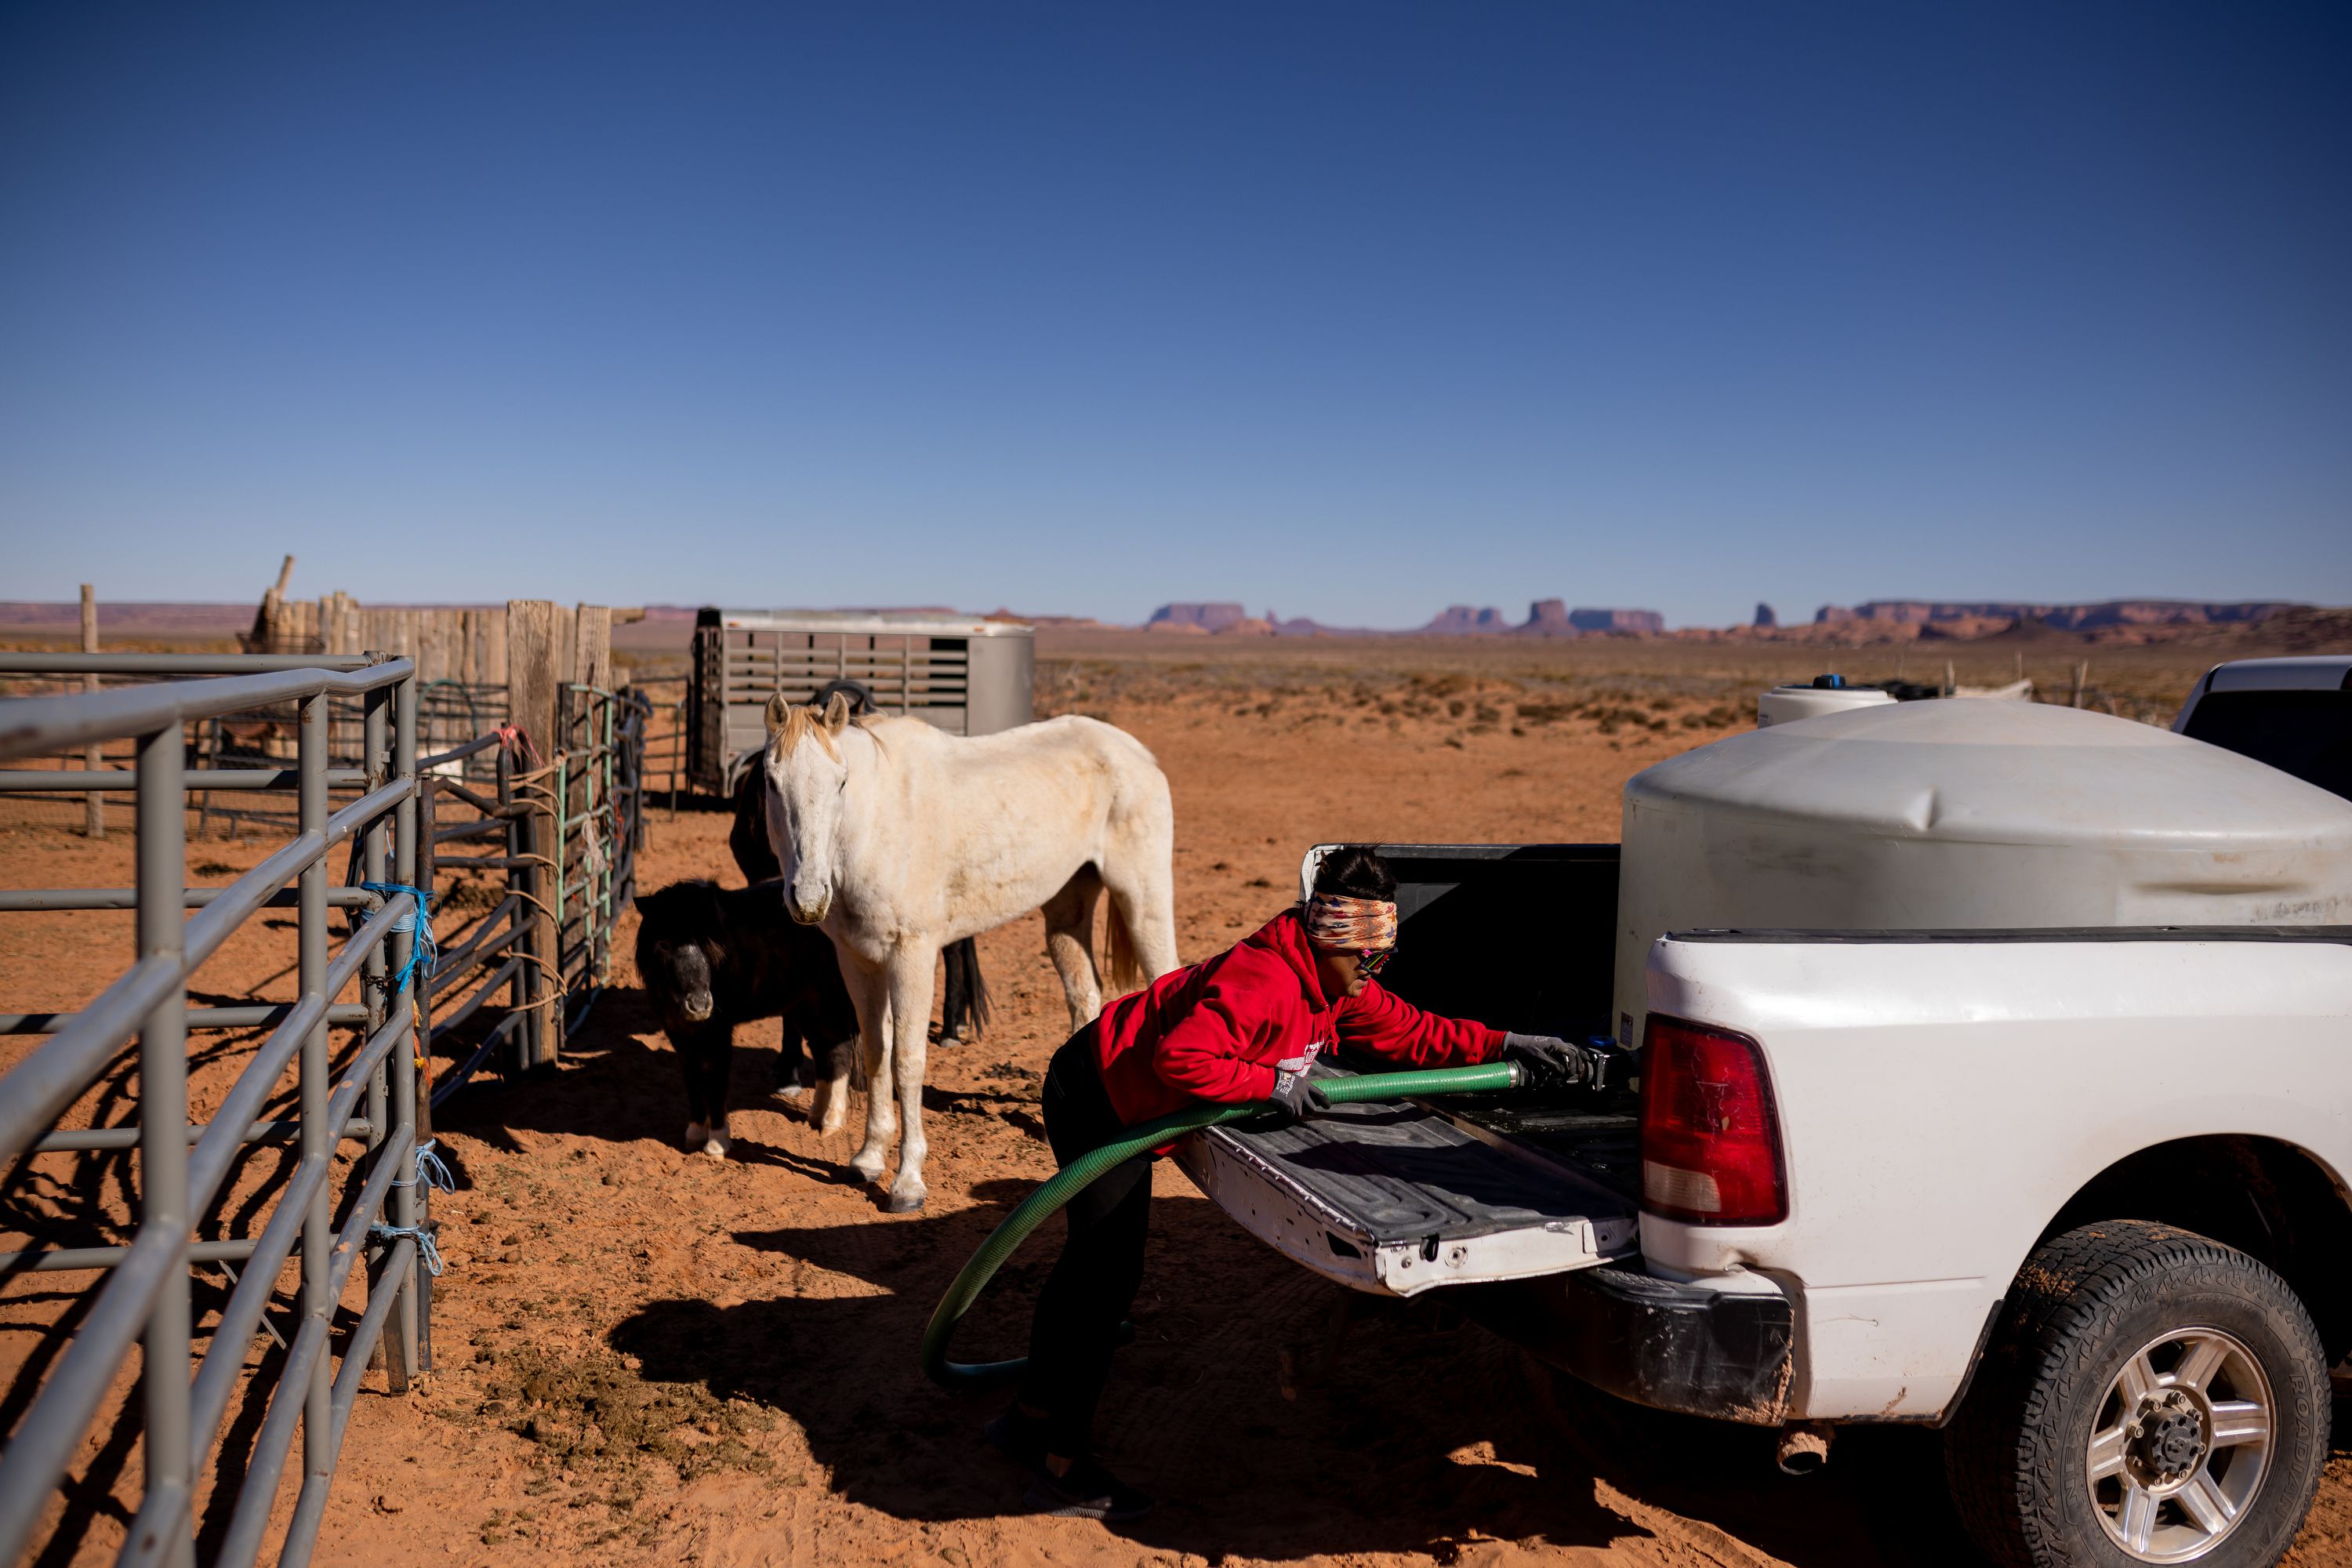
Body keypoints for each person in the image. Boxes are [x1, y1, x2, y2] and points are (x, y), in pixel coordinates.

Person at [984, 844, 1593, 1519]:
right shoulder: (1267, 979)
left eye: (1381, 959)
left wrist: (1506, 1044)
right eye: (1366, 960)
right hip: (1099, 1092)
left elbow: (1412, 1033)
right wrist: (1271, 1083)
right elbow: (1180, 1056)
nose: (1373, 974)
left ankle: (1028, 1418)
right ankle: (1061, 1468)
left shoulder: (1335, 985)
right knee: (1103, 1276)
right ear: (1330, 942)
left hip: (1133, 1100)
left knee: (1094, 1271)